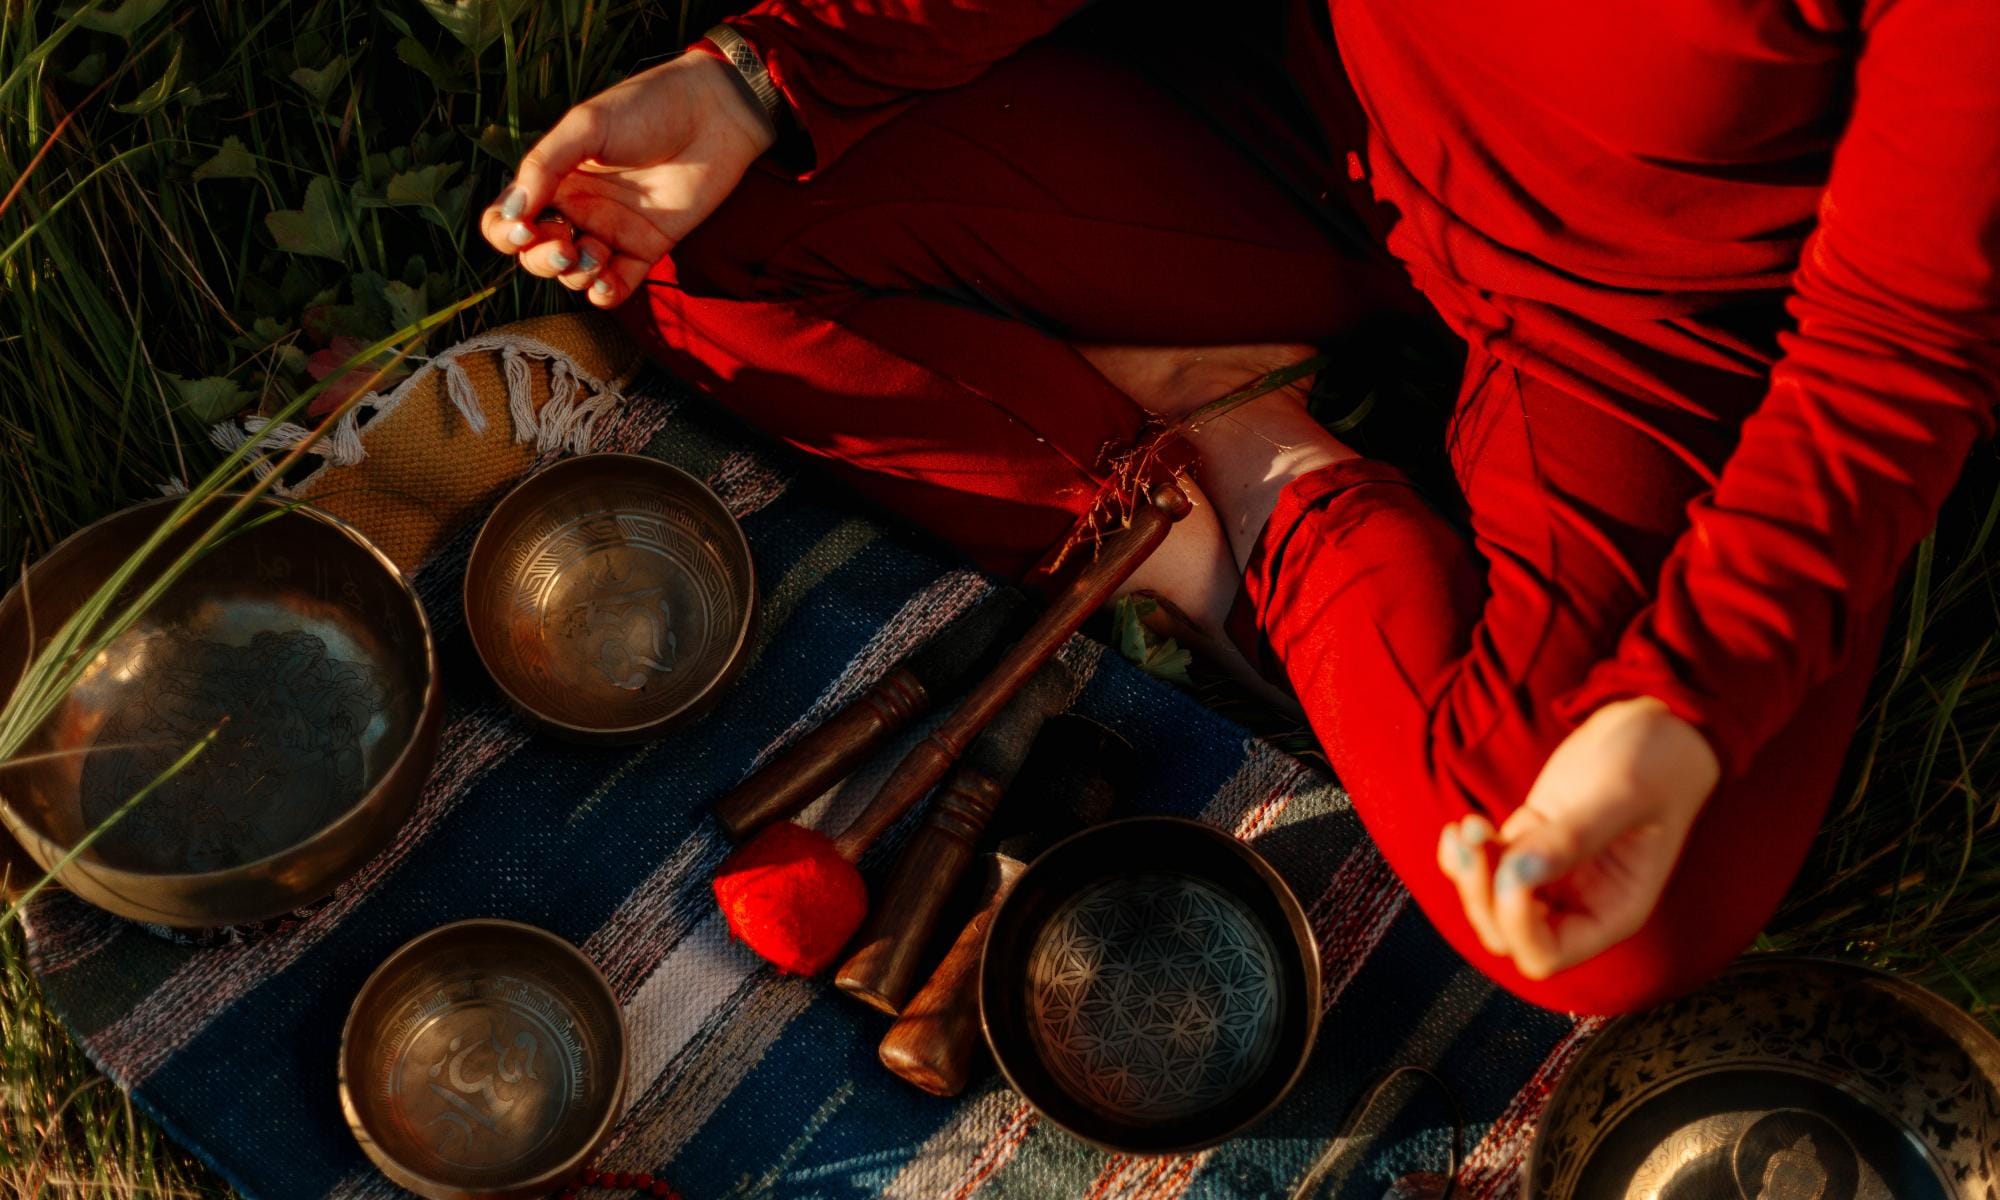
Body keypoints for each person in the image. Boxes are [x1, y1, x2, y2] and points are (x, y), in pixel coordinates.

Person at [476, 0, 1999, 1015]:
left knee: (1614, 915)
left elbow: (1900, 354)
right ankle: (1208, 434)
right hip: (1289, 119)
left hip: (1653, 331)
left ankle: (1258, 467)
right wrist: (770, 76)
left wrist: (1682, 707)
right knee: (687, 239)